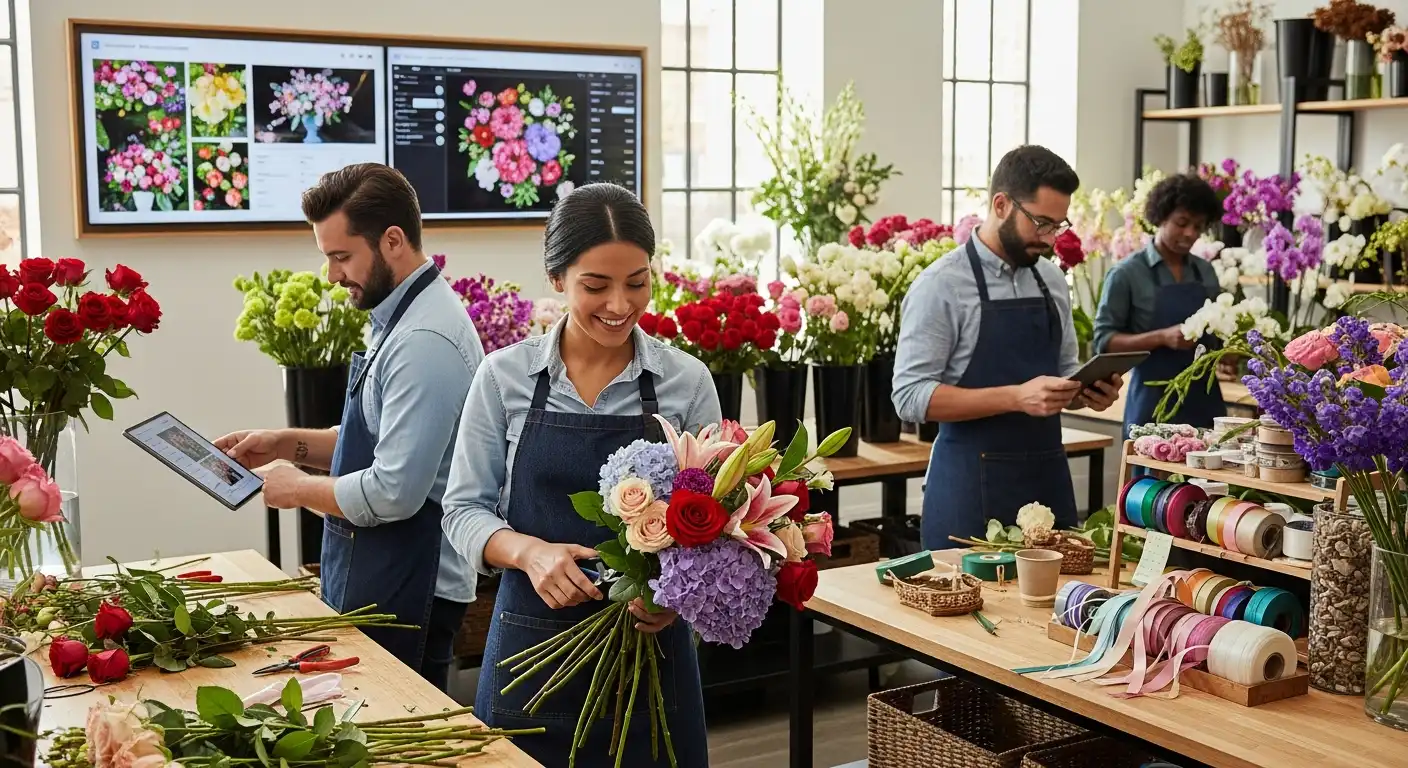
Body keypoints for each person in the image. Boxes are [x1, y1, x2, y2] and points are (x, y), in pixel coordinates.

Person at [441, 182, 718, 767]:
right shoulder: (503, 379)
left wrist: (677, 598)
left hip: (652, 656)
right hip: (530, 653)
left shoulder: (686, 383)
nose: (620, 305)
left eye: (637, 282)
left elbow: (715, 522)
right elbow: (463, 510)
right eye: (596, 286)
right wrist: (528, 554)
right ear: (556, 278)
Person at [215, 163, 483, 691]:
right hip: (384, 575)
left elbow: (395, 491)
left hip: (414, 589)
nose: (332, 276)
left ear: (392, 240)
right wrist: (285, 443)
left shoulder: (425, 340)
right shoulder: (401, 318)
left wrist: (297, 490)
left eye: (341, 256)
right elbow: (381, 441)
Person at [891, 145, 1121, 551]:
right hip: (968, 491)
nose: (1050, 239)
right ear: (1001, 204)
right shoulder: (941, 286)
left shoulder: (1050, 281)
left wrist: (1086, 394)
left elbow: (1064, 371)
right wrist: (1016, 397)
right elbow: (910, 397)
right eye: (1041, 223)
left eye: (1058, 225)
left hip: (1048, 480)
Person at [1093, 172, 1226, 439]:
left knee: (1206, 480)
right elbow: (1105, 342)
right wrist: (1161, 337)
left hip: (1204, 400)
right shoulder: (1127, 274)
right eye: (1181, 223)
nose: (1190, 233)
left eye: (1198, 227)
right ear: (1161, 216)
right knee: (1150, 482)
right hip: (1152, 404)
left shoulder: (1205, 272)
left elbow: (1218, 334)